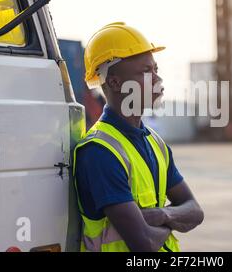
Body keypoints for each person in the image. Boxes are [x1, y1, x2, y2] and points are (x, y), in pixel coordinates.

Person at [73, 22, 204, 252]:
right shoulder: (99, 152)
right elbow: (143, 243)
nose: (157, 80)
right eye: (145, 71)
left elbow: (195, 211)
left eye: (156, 70)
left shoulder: (155, 143)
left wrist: (161, 214)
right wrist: (174, 220)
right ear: (114, 82)